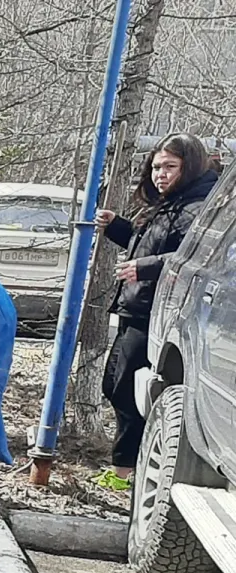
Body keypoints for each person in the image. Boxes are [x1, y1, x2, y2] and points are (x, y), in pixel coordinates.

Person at [93, 132, 219, 489]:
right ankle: (127, 467)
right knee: (115, 386)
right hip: (136, 307)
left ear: (190, 166)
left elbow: (193, 257)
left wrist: (145, 267)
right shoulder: (170, 202)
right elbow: (150, 241)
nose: (159, 174)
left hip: (161, 315)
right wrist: (117, 227)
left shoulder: (200, 206)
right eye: (156, 167)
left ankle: (125, 472)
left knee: (127, 391)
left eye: (170, 167)